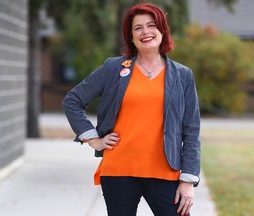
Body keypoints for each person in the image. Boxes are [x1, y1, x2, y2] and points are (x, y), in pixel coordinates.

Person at [62, 3, 200, 216]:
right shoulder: (114, 68)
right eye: (138, 28)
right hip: (119, 171)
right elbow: (73, 100)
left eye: (151, 25)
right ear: (131, 36)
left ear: (162, 30)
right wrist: (92, 138)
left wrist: (188, 179)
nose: (145, 32)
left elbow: (191, 129)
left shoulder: (182, 75)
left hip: (166, 172)